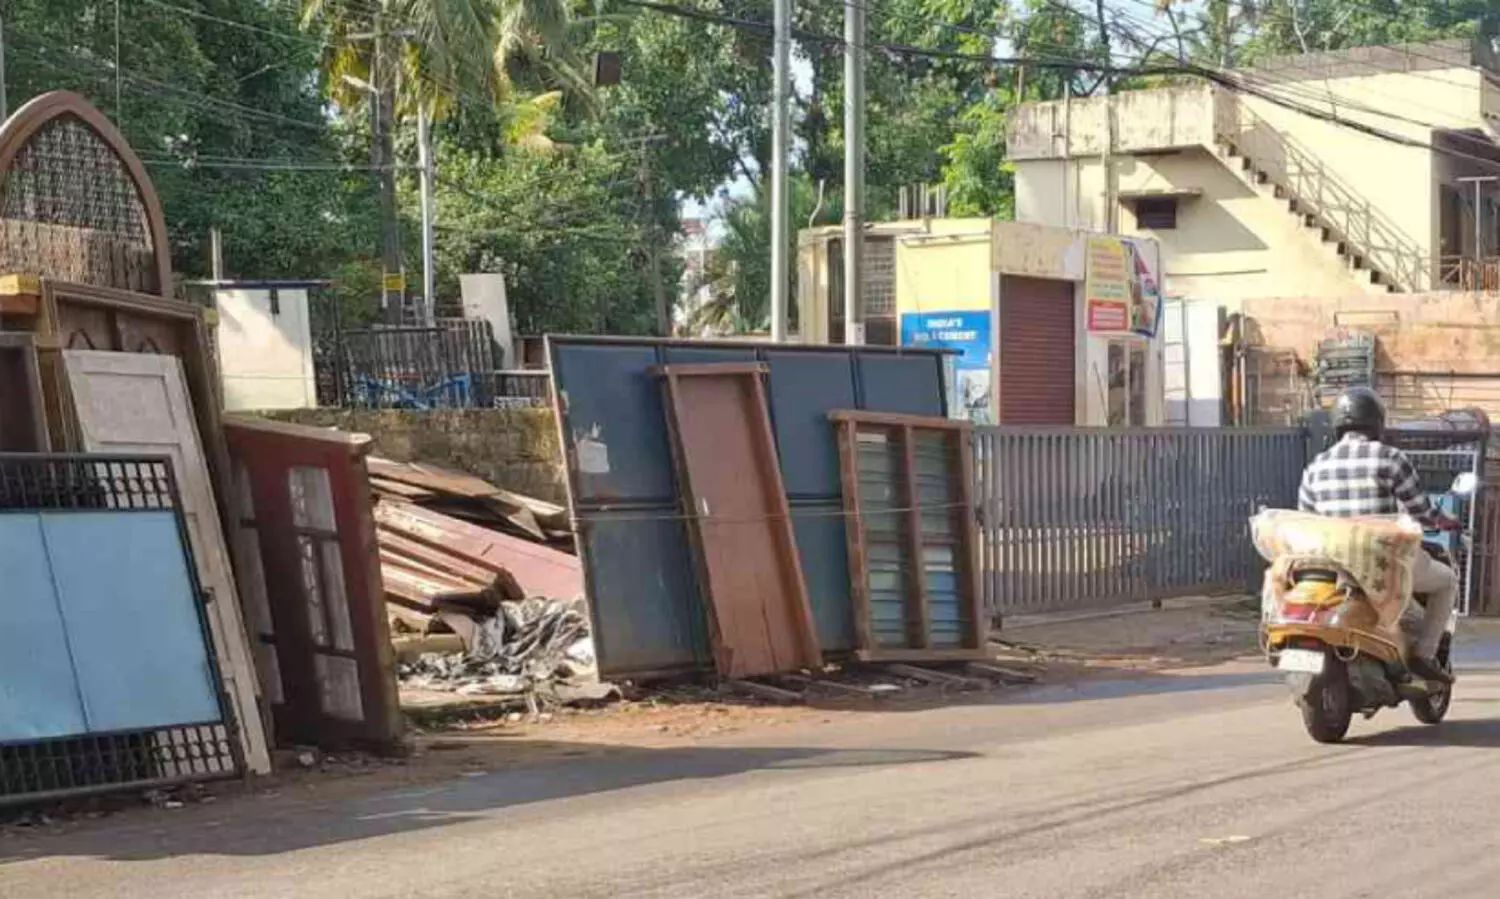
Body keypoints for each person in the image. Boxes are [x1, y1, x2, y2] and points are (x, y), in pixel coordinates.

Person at [1298, 386, 1460, 684]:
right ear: (1376, 422)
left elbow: (1308, 521)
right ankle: (1425, 654)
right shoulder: (1390, 458)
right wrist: (1444, 520)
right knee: (1447, 581)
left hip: (1336, 567)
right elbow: (1420, 511)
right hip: (1383, 564)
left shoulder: (1315, 468)